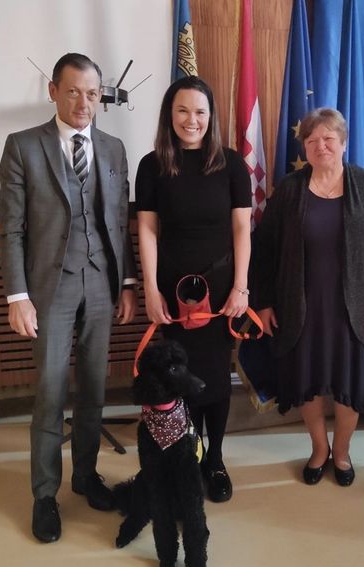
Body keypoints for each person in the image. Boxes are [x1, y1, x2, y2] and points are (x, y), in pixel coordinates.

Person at [0, 53, 138, 543]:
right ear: (53, 91)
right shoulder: (23, 146)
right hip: (49, 288)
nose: (83, 102)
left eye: (92, 93)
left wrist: (127, 284)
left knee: (95, 388)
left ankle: (85, 475)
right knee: (51, 391)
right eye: (73, 91)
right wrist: (17, 295)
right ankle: (44, 495)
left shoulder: (114, 148)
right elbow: (12, 229)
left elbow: (119, 221)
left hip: (101, 283)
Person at [253, 108, 364, 487]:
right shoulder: (290, 189)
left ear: (343, 143)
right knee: (308, 381)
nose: (321, 146)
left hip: (356, 307)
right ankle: (319, 449)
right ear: (304, 146)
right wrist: (264, 301)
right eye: (312, 139)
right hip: (301, 307)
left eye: (329, 138)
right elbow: (264, 248)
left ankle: (342, 452)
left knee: (349, 385)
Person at [136, 76, 251, 503]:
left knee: (216, 379)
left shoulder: (231, 164)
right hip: (173, 291)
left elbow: (242, 229)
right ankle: (188, 455)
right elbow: (147, 230)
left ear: (211, 116)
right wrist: (150, 288)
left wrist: (241, 287)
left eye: (200, 112)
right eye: (183, 110)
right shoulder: (152, 165)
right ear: (169, 114)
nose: (192, 120)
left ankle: (215, 460)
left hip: (220, 291)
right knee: (179, 377)